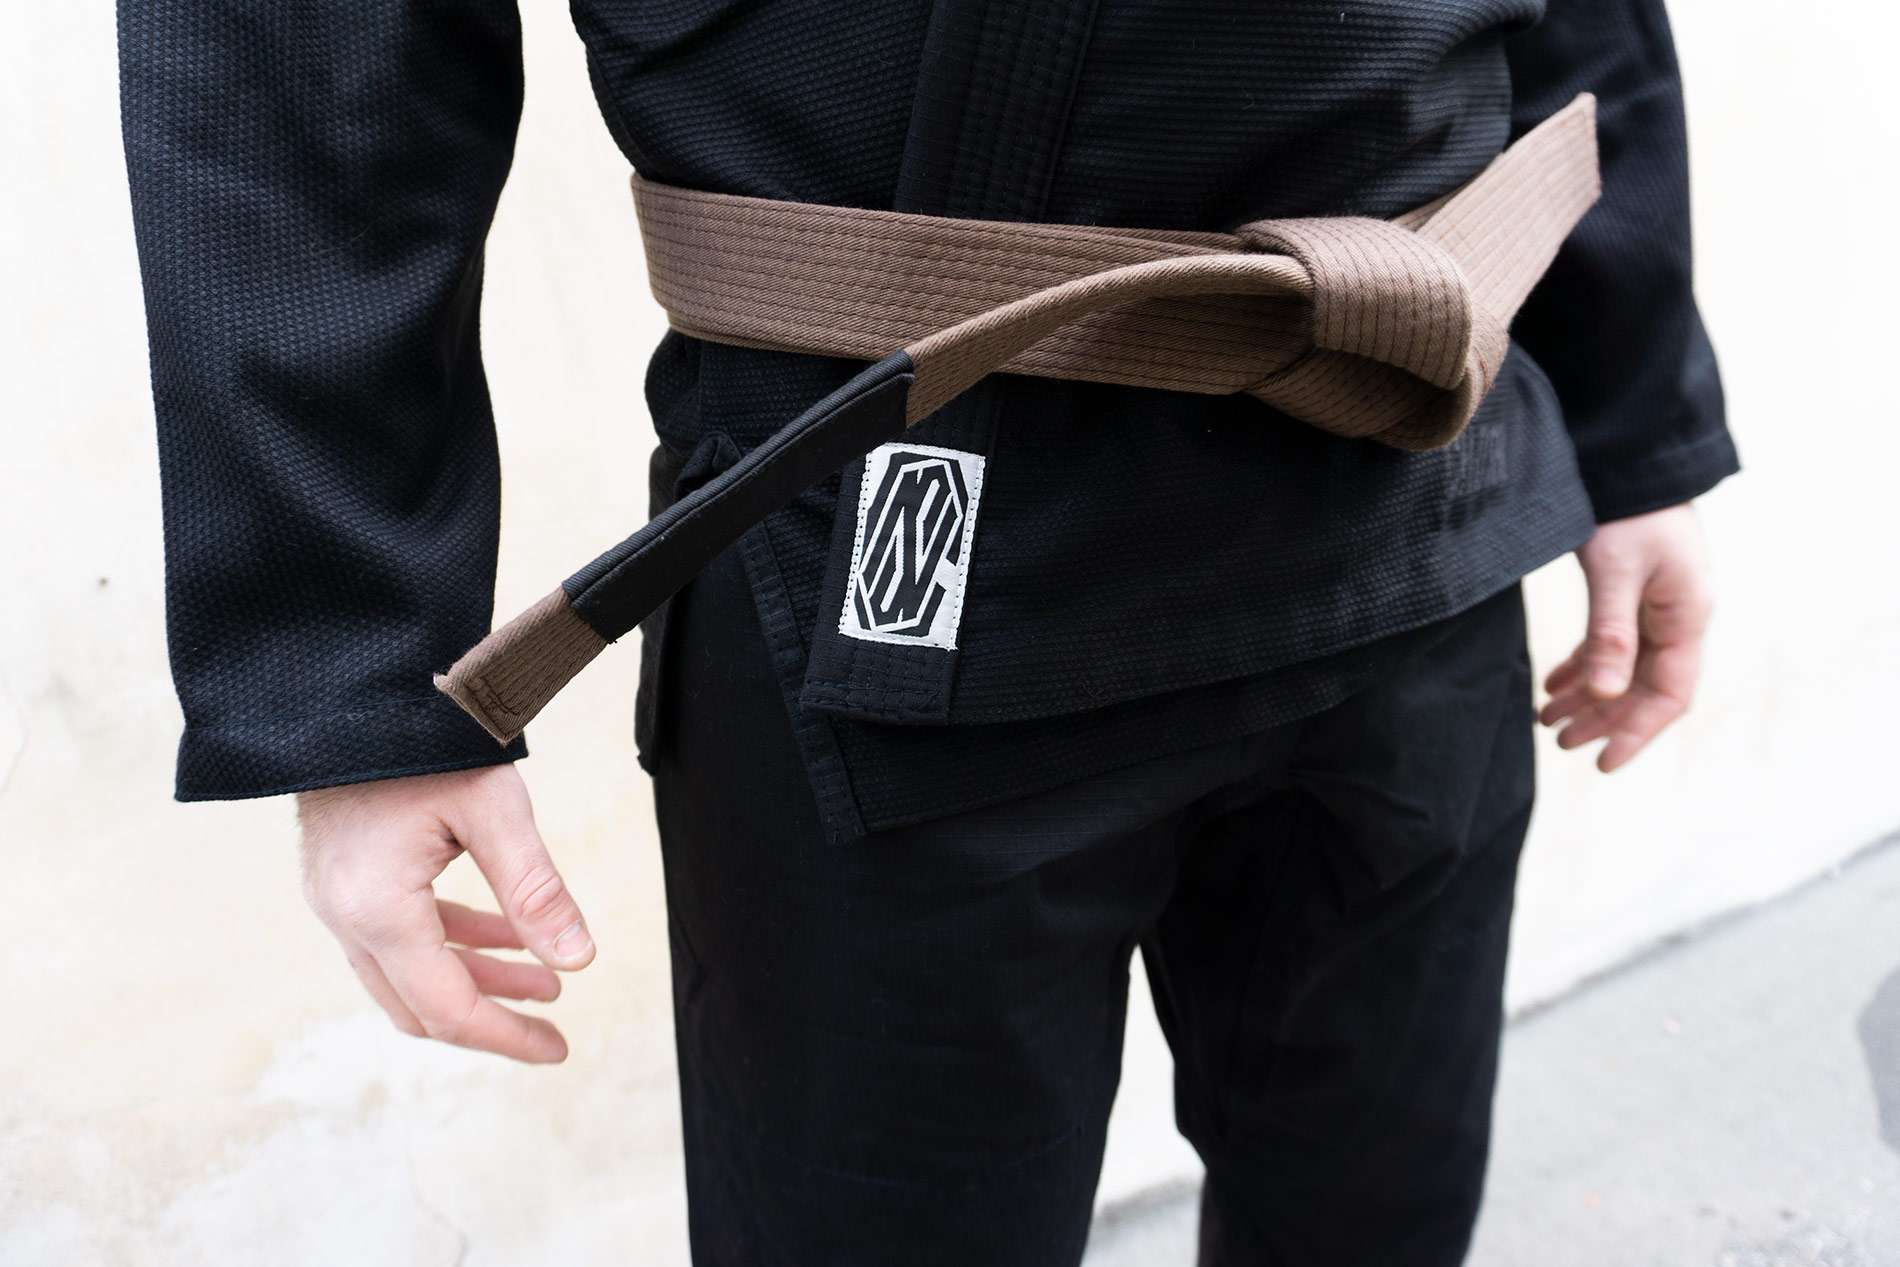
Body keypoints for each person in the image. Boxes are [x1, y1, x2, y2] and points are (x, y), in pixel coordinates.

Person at [119, 0, 1734, 1262]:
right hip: (899, 569)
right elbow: (297, 52)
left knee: (1380, 1224)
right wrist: (350, 678)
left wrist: (1634, 409)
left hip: (1419, 494)